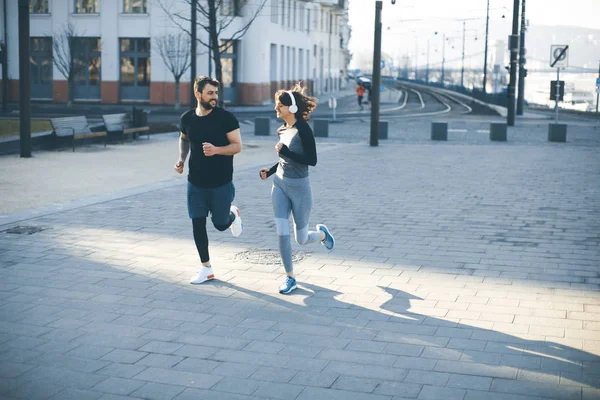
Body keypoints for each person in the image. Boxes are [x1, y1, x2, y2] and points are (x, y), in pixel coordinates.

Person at [259, 83, 335, 295]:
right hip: (280, 186)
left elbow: (312, 160)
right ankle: (290, 277)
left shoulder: (304, 130)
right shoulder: (282, 129)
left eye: (279, 106)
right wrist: (270, 170)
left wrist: (287, 152)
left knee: (301, 239)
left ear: (291, 108)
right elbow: (284, 158)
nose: (276, 109)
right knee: (282, 233)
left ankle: (321, 234)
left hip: (300, 188)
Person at [174, 76, 243, 285]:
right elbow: (184, 138)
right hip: (195, 182)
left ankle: (233, 214)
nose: (215, 97)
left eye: (216, 93)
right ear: (198, 94)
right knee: (197, 222)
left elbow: (237, 146)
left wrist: (216, 150)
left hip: (221, 182)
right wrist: (180, 160)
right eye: (210, 93)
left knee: (220, 224)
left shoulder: (226, 118)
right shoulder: (187, 119)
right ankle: (206, 268)